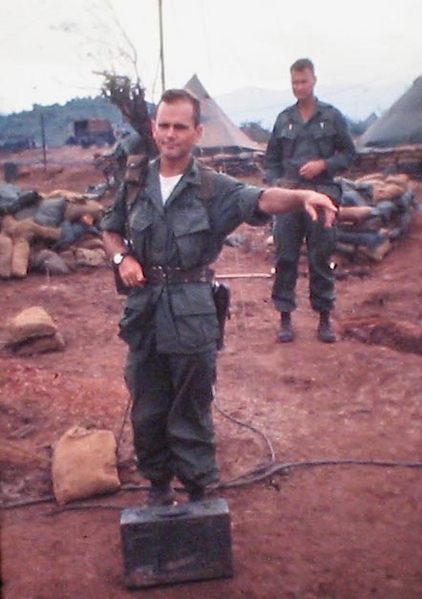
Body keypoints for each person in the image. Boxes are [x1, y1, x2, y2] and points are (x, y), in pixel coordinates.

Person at [100, 88, 337, 506]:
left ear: (197, 132)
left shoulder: (213, 188)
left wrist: (301, 196)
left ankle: (197, 491)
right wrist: (122, 258)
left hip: (192, 312)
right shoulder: (135, 181)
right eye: (164, 125)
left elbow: (261, 198)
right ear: (154, 129)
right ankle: (157, 488)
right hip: (144, 310)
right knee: (148, 407)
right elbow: (110, 227)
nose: (171, 134)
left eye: (180, 126)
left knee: (191, 409)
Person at [264, 58, 356, 343]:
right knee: (286, 256)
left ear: (314, 80)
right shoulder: (283, 119)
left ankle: (324, 318)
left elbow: (349, 155)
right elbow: (271, 160)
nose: (299, 87)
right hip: (290, 197)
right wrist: (278, 184)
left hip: (322, 195)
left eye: (303, 81)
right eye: (294, 83)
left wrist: (323, 165)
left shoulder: (331, 116)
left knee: (320, 256)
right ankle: (285, 318)